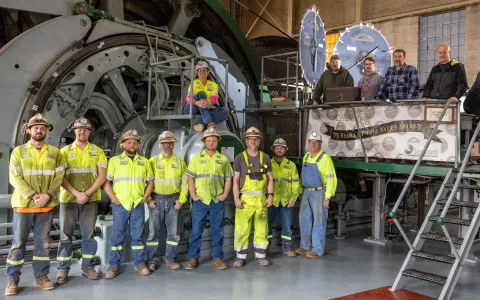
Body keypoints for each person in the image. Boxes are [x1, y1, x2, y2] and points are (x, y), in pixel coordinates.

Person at [5, 114, 65, 295]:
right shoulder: (19, 151)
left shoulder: (55, 152)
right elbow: (14, 177)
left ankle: (42, 278)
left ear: (47, 131)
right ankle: (12, 281)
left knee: (43, 244)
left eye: (42, 127)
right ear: (29, 130)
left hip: (45, 206)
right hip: (24, 205)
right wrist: (33, 195)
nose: (39, 130)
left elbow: (59, 176)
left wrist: (47, 195)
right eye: (36, 127)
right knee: (18, 243)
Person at [56, 117, 107, 284]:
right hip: (69, 199)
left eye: (85, 129)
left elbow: (102, 177)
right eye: (79, 129)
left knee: (89, 235)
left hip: (90, 200)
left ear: (89, 132)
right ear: (74, 131)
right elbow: (61, 177)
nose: (82, 132)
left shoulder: (97, 151)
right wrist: (77, 193)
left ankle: (87, 267)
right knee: (65, 236)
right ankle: (63, 269)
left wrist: (86, 194)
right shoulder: (64, 152)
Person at [103, 129, 154, 279]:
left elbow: (150, 183)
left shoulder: (144, 162)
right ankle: (114, 265)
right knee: (117, 237)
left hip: (137, 204)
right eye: (129, 142)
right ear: (123, 144)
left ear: (137, 144)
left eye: (134, 142)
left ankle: (140, 263)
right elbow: (106, 183)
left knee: (138, 236)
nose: (132, 145)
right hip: (120, 205)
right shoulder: (114, 161)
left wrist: (144, 198)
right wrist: (113, 199)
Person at [185, 128, 233, 270]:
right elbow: (190, 178)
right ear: (204, 141)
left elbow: (229, 178)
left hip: (217, 201)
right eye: (209, 140)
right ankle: (193, 258)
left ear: (217, 142)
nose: (211, 142)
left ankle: (217, 258)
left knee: (217, 230)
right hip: (200, 200)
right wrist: (193, 195)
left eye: (214, 140)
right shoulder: (196, 159)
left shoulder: (223, 160)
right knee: (196, 230)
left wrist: (224, 194)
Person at [146, 131, 188, 271]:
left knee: (173, 233)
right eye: (164, 143)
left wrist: (181, 200)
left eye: (170, 143)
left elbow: (185, 184)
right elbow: (145, 183)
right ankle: (152, 260)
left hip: (173, 200)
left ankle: (170, 259)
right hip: (156, 200)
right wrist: (149, 200)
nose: (167, 145)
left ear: (173, 144)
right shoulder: (152, 162)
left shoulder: (180, 163)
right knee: (153, 233)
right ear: (160, 145)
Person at [232, 127, 274, 267]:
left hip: (261, 199)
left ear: (259, 141)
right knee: (242, 228)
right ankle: (240, 257)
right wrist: (236, 198)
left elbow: (270, 179)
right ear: (246, 141)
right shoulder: (240, 158)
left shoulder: (266, 158)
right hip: (245, 200)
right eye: (250, 139)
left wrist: (270, 196)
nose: (253, 141)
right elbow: (236, 180)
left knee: (262, 228)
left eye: (256, 139)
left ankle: (261, 255)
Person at [296, 132, 337, 259]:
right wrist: (300, 192)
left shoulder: (325, 158)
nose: (313, 144)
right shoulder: (307, 156)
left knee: (319, 221)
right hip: (307, 192)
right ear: (308, 143)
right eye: (311, 142)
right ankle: (305, 246)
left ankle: (317, 250)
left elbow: (331, 179)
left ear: (320, 144)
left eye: (316, 142)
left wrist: (327, 197)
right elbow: (303, 175)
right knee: (304, 219)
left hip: (320, 193)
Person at [267, 138, 300, 257]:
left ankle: (286, 248)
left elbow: (296, 183)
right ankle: (265, 247)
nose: (279, 149)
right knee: (267, 225)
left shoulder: (291, 165)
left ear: (285, 150)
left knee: (287, 225)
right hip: (272, 200)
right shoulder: (268, 164)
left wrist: (293, 198)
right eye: (277, 147)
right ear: (273, 149)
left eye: (282, 147)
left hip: (286, 200)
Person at [183, 60, 229, 132]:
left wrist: (210, 102)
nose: (202, 72)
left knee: (225, 111)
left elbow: (215, 97)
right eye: (200, 70)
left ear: (208, 72)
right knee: (201, 93)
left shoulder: (213, 84)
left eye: (204, 70)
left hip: (206, 109)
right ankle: (208, 122)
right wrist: (197, 103)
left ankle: (202, 124)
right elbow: (188, 98)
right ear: (197, 72)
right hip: (192, 108)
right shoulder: (193, 83)